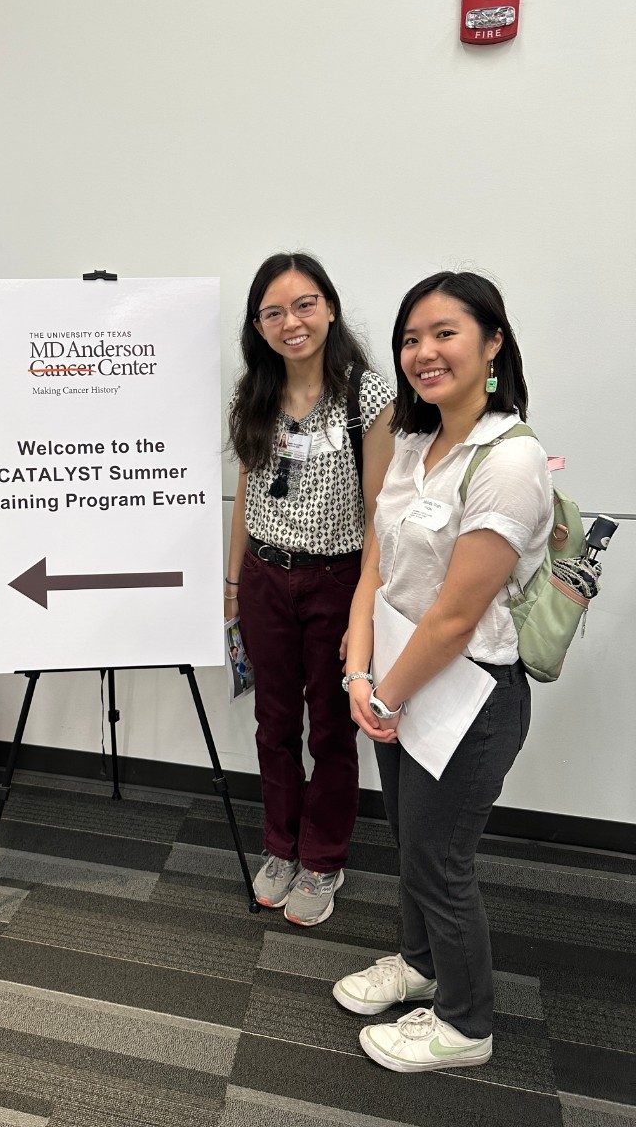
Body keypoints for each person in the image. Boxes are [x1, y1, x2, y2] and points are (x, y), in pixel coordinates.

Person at [335, 271, 553, 1073]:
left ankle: (466, 1022)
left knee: (438, 857)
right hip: (396, 680)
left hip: (471, 694)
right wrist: (360, 675)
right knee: (409, 840)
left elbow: (459, 615)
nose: (423, 352)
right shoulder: (414, 442)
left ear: (493, 343)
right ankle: (422, 965)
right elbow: (375, 565)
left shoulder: (512, 458)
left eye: (444, 333)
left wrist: (383, 691)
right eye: (410, 338)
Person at [226, 252, 394, 925]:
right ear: (258, 324)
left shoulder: (368, 394)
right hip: (266, 577)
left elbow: (381, 512)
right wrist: (235, 583)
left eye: (304, 305)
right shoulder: (255, 393)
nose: (291, 322)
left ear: (328, 307)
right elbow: (244, 491)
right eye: (274, 312)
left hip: (336, 579)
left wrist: (364, 612)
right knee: (272, 723)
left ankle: (323, 860)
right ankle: (280, 847)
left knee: (329, 728)